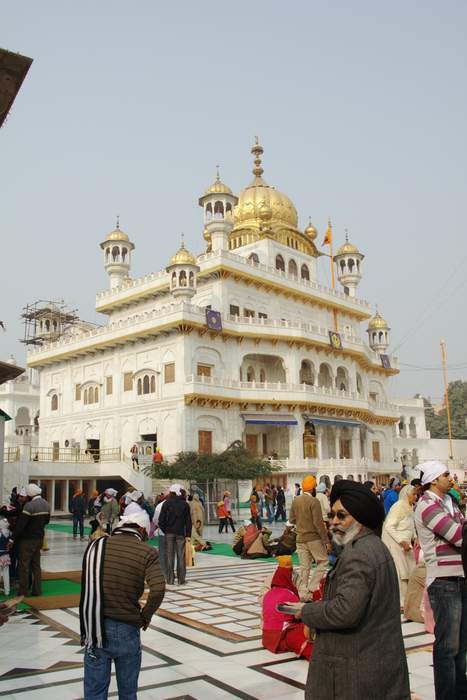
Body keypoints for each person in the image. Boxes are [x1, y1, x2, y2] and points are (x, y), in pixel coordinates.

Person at [297, 479, 410, 700]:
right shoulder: (373, 546)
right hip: (374, 661)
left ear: (361, 518)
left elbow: (344, 611)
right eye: (332, 516)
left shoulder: (359, 554)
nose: (334, 523)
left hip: (356, 671)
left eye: (342, 516)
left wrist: (307, 612)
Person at [80, 511, 165, 699]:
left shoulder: (96, 546)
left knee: (95, 692)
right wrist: (145, 616)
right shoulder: (147, 551)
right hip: (127, 628)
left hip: (95, 628)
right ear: (142, 530)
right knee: (128, 692)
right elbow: (158, 589)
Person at [414, 460, 466, 700]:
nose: (450, 478)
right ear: (434, 480)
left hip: (460, 576)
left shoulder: (449, 501)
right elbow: (457, 535)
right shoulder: (426, 505)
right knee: (448, 647)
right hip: (445, 581)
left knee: (461, 647)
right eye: (446, 474)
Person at [261, 555, 312, 660]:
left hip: (266, 636)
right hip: (280, 634)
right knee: (304, 628)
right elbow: (298, 613)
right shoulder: (289, 593)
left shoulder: (269, 593)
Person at [289, 475, 329, 599]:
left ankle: (302, 593)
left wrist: (302, 522)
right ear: (313, 488)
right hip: (313, 538)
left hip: (300, 538)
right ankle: (312, 587)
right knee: (323, 562)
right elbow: (318, 523)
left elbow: (291, 519)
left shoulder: (296, 500)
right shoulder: (314, 501)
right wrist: (326, 540)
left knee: (304, 567)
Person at [10, 483, 50, 597]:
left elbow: (21, 525)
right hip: (39, 539)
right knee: (36, 565)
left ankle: (23, 592)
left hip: (27, 540)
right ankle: (37, 590)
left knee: (24, 565)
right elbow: (47, 521)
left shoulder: (29, 506)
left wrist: (12, 539)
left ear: (30, 495)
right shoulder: (46, 504)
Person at [382, 484, 417, 607]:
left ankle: (409, 601)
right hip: (396, 543)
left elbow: (410, 524)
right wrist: (402, 541)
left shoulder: (409, 506)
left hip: (406, 544)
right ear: (407, 495)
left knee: (411, 571)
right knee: (402, 573)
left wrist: (415, 537)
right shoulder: (398, 507)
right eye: (413, 494)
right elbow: (389, 526)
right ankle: (402, 603)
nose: (415, 497)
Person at [158, 485, 192, 585]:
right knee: (181, 556)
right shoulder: (185, 504)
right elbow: (188, 521)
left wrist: (165, 530)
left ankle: (170, 579)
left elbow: (161, 520)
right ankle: (181, 580)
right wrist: (188, 534)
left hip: (169, 533)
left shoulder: (166, 503)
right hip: (180, 533)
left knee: (169, 556)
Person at [0, 515, 11, 596]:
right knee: (6, 573)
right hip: (6, 556)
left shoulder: (0, 533)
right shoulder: (9, 532)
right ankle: (7, 591)